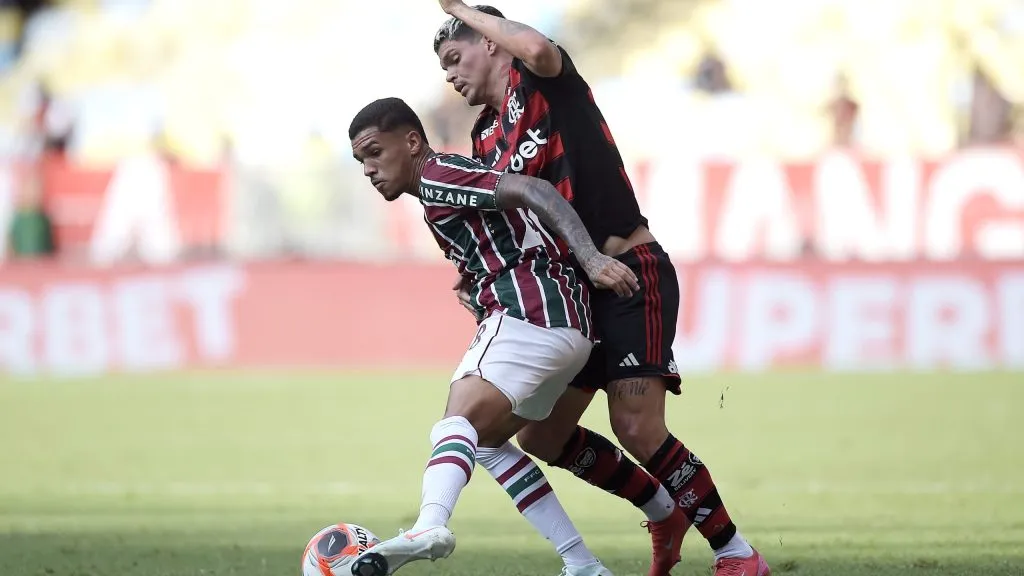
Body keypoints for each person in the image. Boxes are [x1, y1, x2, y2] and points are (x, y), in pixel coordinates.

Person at [431, 4, 772, 576]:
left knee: (636, 424)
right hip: (576, 295)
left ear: (489, 43)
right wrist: (477, 278)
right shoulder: (485, 137)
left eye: (453, 56)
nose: (448, 73)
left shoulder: (539, 77)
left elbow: (535, 48)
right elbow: (511, 221)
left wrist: (460, 9)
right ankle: (665, 511)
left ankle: (737, 555)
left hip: (628, 269)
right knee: (543, 433)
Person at [347, 97, 641, 576]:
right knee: (482, 442)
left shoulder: (438, 174)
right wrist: (476, 281)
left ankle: (430, 524)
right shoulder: (439, 193)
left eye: (375, 152)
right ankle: (582, 563)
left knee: (454, 423)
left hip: (533, 313)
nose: (368, 169)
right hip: (566, 326)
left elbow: (535, 191)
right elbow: (510, 228)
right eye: (361, 160)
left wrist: (589, 259)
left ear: (413, 141)